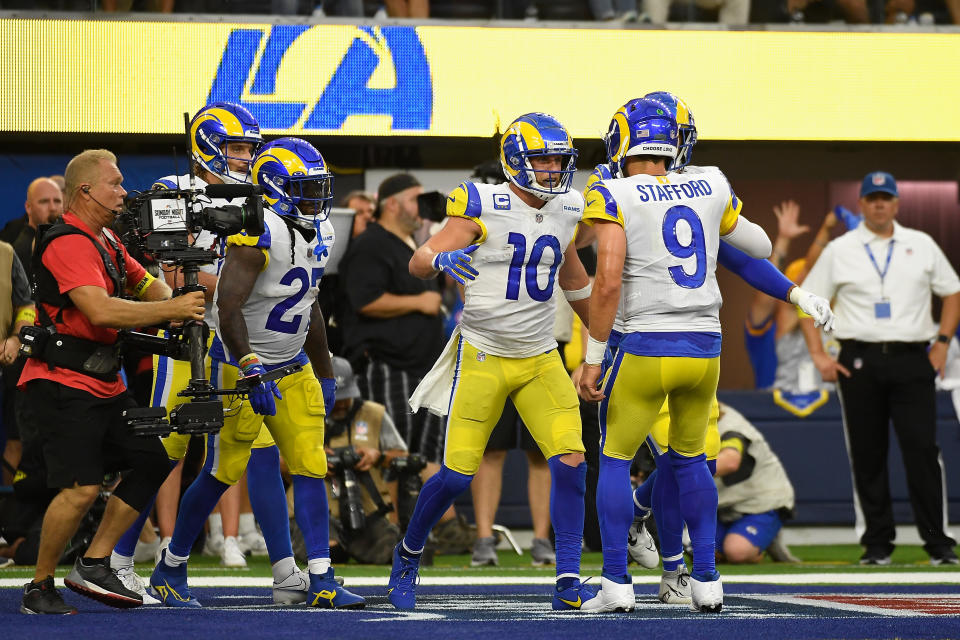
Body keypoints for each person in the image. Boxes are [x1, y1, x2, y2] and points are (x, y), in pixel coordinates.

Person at [390, 112, 596, 611]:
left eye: (558, 159)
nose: (552, 169)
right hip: (484, 351)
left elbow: (572, 280)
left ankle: (568, 577)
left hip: (540, 356)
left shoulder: (569, 205)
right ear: (514, 161)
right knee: (457, 475)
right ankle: (408, 552)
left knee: (570, 461)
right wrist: (438, 259)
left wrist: (605, 339)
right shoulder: (482, 201)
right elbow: (420, 259)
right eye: (541, 159)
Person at [149, 137, 364, 609]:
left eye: (317, 187)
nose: (316, 198)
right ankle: (171, 565)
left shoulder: (320, 231)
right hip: (242, 368)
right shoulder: (256, 230)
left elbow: (308, 305)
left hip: (293, 367)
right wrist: (251, 369)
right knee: (222, 472)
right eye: (305, 188)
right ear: (276, 188)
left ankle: (321, 577)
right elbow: (227, 309)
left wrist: (325, 371)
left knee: (312, 465)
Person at [577, 97, 773, 613]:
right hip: (705, 344)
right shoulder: (712, 182)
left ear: (621, 140)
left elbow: (608, 277)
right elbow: (760, 246)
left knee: (616, 460)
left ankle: (617, 585)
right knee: (691, 463)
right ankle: (706, 583)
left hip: (644, 342)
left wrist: (593, 355)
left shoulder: (611, 190)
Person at [109, 102, 287, 596]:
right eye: (236, 147)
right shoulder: (174, 192)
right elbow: (173, 274)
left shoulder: (256, 196)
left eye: (250, 148)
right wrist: (241, 287)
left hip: (237, 337)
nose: (245, 157)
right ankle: (118, 557)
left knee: (260, 447)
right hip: (188, 336)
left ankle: (285, 567)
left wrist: (241, 289)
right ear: (207, 145)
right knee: (165, 446)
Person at [18, 149, 205, 614]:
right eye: (115, 184)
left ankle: (95, 561)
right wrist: (172, 311)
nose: (124, 192)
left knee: (152, 459)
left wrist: (176, 300)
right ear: (85, 190)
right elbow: (100, 309)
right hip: (63, 381)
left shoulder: (107, 239)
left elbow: (147, 286)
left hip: (105, 379)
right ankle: (38, 586)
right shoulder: (68, 242)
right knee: (80, 487)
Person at [800, 171, 960, 566]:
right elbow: (808, 302)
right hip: (859, 360)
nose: (879, 204)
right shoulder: (841, 248)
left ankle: (939, 543)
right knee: (867, 454)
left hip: (912, 358)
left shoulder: (921, 244)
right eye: (872, 198)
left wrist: (941, 344)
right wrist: (819, 355)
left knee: (923, 451)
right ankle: (876, 543)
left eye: (885, 198)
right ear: (862, 203)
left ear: (897, 203)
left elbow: (952, 291)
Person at [339, 173, 474, 555]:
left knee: (423, 455)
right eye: (416, 198)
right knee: (393, 453)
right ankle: (392, 533)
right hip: (387, 365)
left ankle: (425, 532)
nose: (424, 206)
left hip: (421, 367)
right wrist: (418, 303)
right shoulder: (371, 245)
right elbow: (364, 301)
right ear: (393, 203)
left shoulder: (413, 245)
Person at [323, 356, 408, 565]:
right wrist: (314, 460)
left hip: (367, 506)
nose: (341, 403)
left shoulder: (373, 413)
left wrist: (377, 456)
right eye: (335, 397)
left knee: (389, 552)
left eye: (345, 395)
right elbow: (279, 464)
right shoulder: (306, 413)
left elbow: (402, 458)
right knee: (329, 554)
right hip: (320, 507)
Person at [712, 404, 796, 564]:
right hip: (721, 506)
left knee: (737, 552)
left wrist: (685, 470)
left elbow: (730, 461)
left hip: (760, 502)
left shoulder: (731, 426)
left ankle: (762, 542)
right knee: (699, 550)